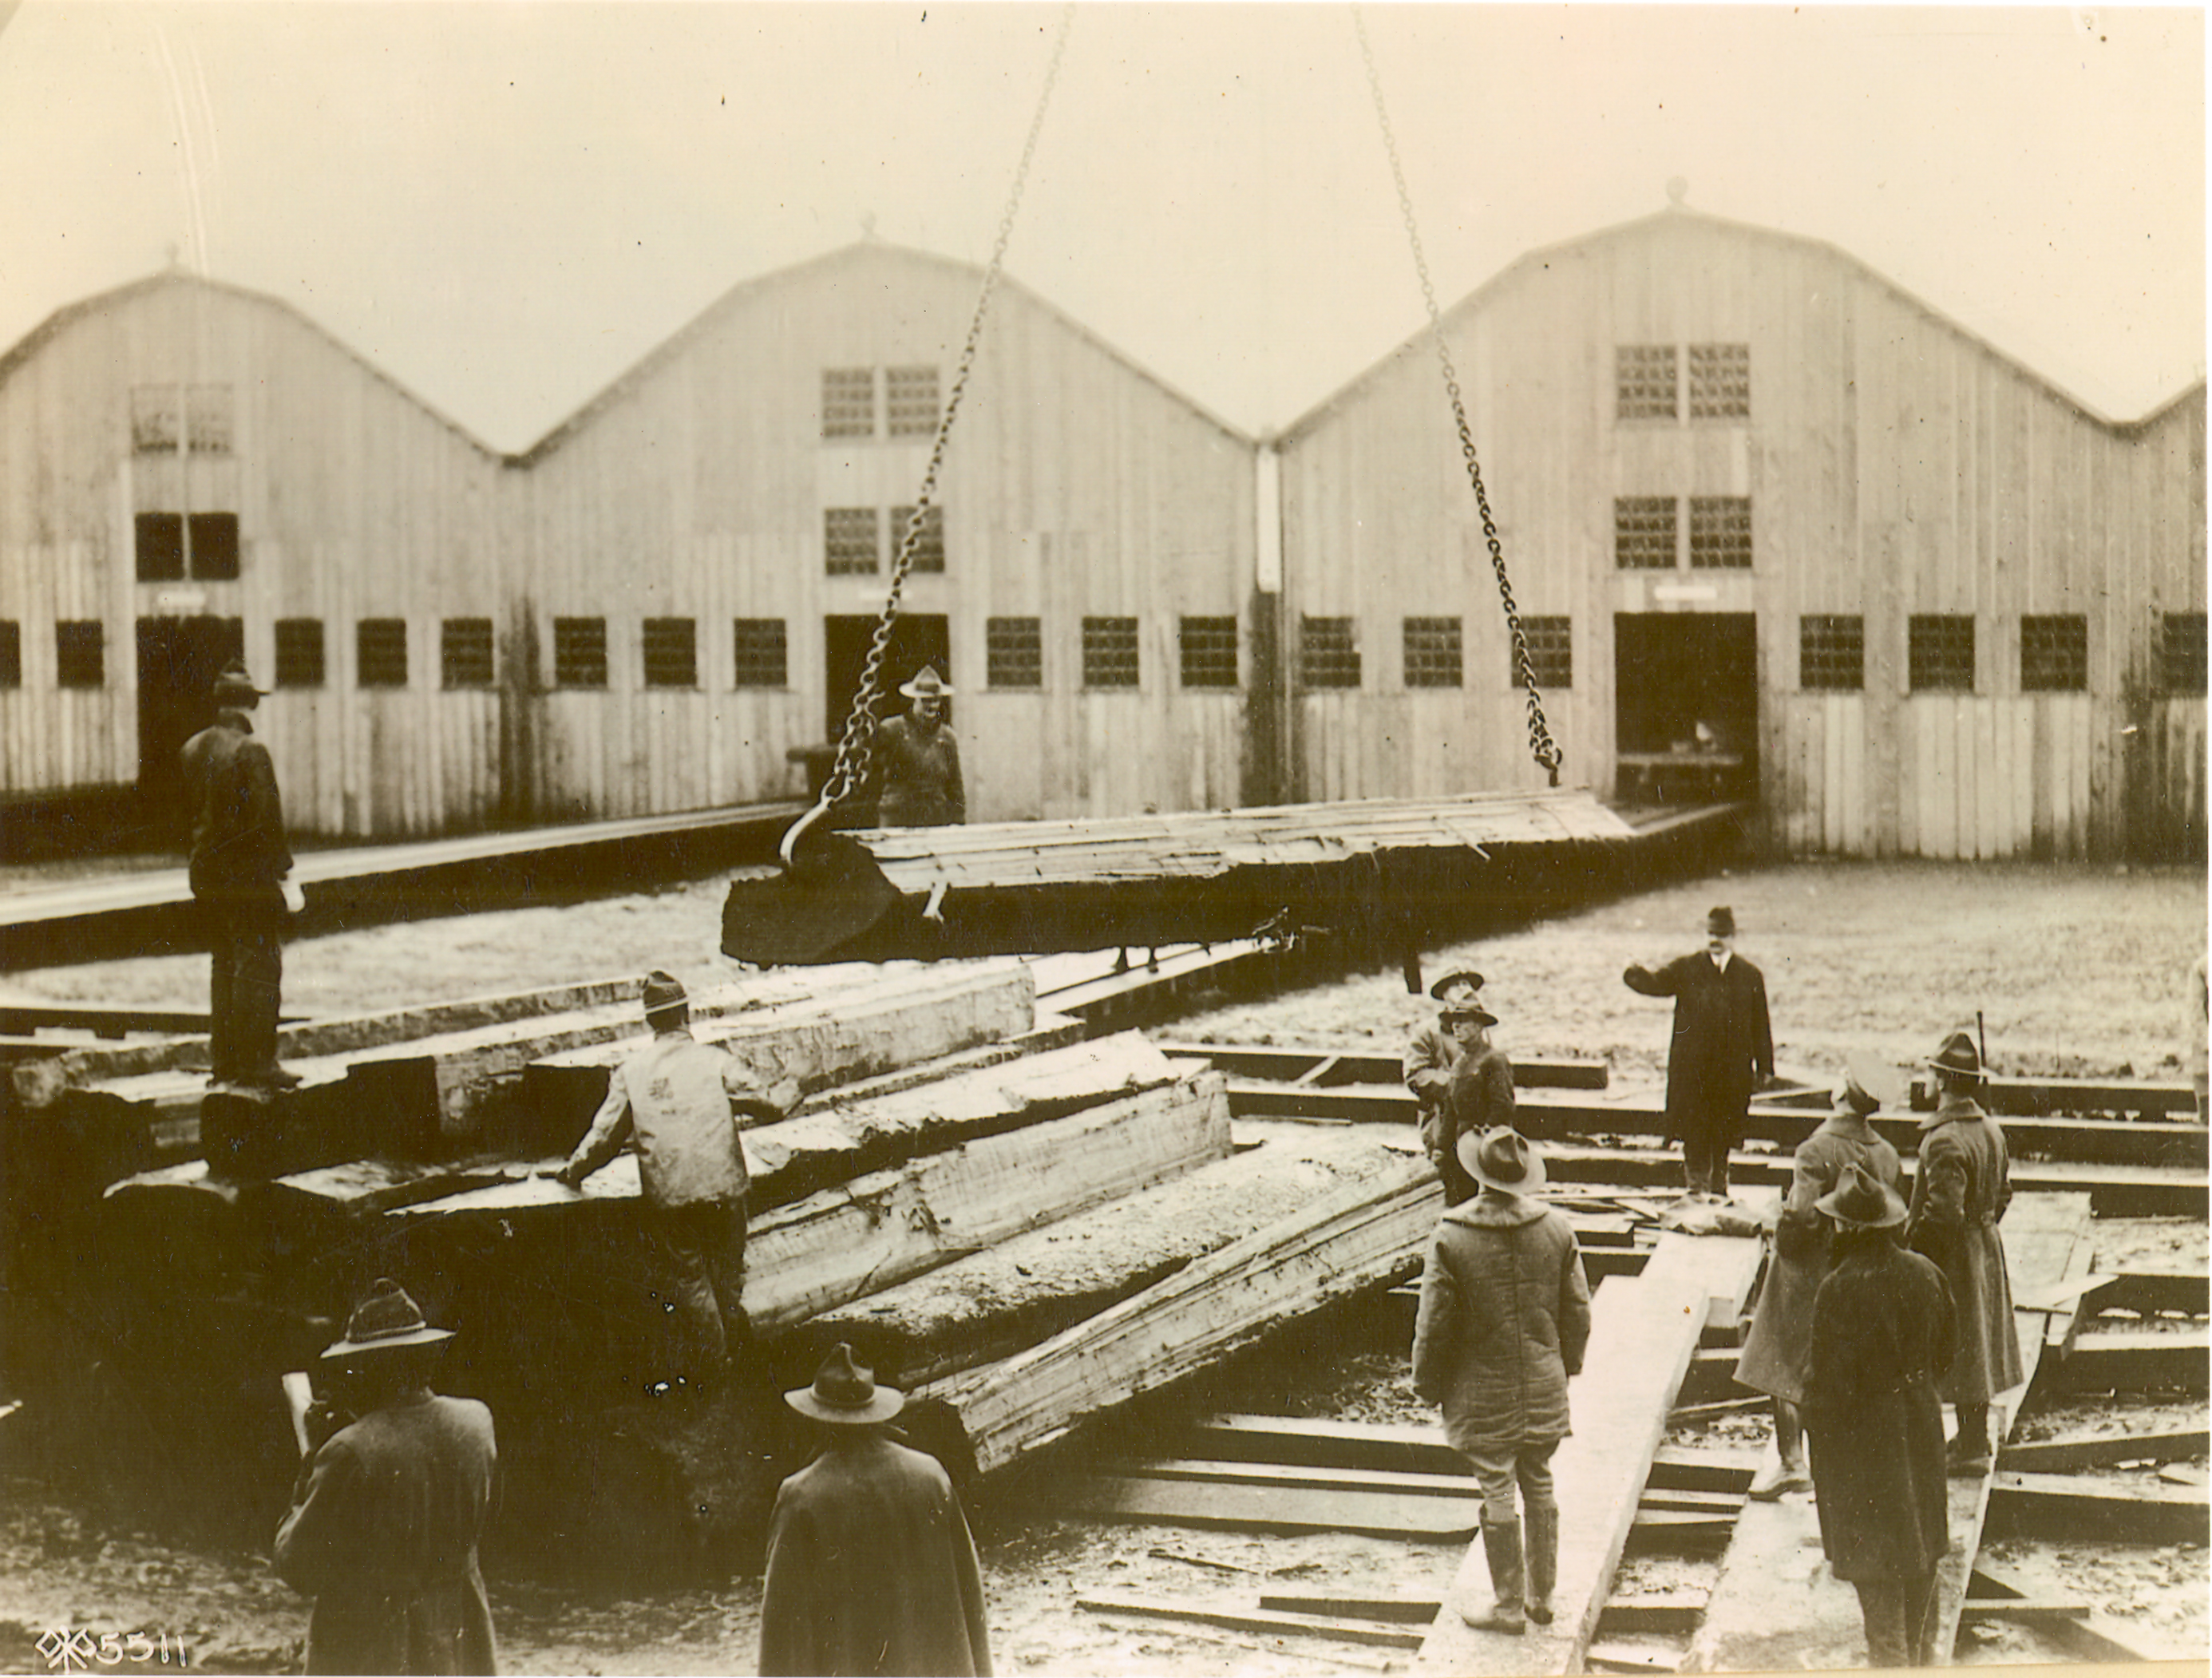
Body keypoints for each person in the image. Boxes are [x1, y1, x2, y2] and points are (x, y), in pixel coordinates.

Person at [545, 970, 797, 1395]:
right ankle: (740, 1368)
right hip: (725, 1189)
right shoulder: (716, 1061)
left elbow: (605, 1137)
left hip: (672, 1196)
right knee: (728, 1276)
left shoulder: (631, 1071)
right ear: (686, 1013)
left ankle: (717, 1375)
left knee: (690, 1282)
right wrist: (796, 1083)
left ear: (650, 1022)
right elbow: (771, 1105)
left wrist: (572, 1172)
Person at [1411, 1129, 1592, 1635]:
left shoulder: (1451, 1236)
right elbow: (1578, 1311)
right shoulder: (1556, 1228)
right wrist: (1565, 1367)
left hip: (1481, 1390)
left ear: (1476, 1174)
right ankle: (1542, 1598)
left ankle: (1508, 1604)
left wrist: (1426, 1384)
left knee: (1496, 1485)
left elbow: (1434, 1323)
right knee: (1539, 1478)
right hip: (1542, 1383)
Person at [274, 1278, 499, 1676]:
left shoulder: (350, 1451)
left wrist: (311, 1457)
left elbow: (298, 1565)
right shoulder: (477, 1421)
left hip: (374, 1647)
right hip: (457, 1634)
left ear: (367, 1367)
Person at [759, 1344, 992, 1676]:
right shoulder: (931, 1477)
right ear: (875, 1411)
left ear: (817, 1417)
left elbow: (782, 1631)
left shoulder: (802, 1496)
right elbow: (970, 1602)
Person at [1802, 1165, 1957, 1669]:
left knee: (1877, 1574)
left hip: (1864, 1441)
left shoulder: (1838, 1288)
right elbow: (1947, 1352)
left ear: (1847, 1228)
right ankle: (1923, 1658)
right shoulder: (1926, 1271)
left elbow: (1825, 1385)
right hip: (1920, 1425)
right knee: (1921, 1552)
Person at [1734, 1062, 1905, 1500]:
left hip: (1809, 1269)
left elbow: (1804, 1215)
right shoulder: (1885, 1152)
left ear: (1842, 1095)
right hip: (1862, 1268)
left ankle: (1792, 1463)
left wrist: (1779, 1230)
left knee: (1777, 1355)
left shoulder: (1815, 1148)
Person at [1905, 1027, 2022, 1476]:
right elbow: (2004, 1194)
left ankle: (1970, 1447)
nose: (1927, 1082)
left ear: (1945, 1081)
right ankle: (1973, 1439)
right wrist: (1984, 1229)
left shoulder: (1944, 1140)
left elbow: (1942, 1214)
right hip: (1984, 1247)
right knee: (1978, 1344)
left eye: (1932, 1074)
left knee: (1961, 1346)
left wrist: (1913, 1255)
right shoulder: (1990, 1129)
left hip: (1956, 1256)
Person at [180, 659, 299, 1092]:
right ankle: (258, 1065)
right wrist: (284, 873)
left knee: (224, 964)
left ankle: (225, 1063)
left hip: (206, 874)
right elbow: (268, 821)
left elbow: (189, 814)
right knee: (260, 966)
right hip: (248, 877)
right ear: (250, 704)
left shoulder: (192, 749)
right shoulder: (252, 752)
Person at [1622, 904, 1775, 1199]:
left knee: (1725, 1131)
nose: (1715, 939)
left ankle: (1719, 1187)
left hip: (1731, 1073)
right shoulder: (1686, 968)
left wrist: (1765, 1066)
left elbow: (1761, 1024)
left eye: (1722, 934)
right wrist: (1633, 973)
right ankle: (1695, 1190)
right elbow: (1655, 983)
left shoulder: (1750, 976)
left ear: (1733, 936)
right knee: (1693, 1131)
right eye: (1711, 933)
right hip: (1693, 1071)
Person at [1403, 972, 1515, 1205]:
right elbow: (1415, 1075)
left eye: (1466, 984)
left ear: (1477, 1023)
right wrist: (1458, 1085)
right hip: (1441, 1119)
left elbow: (1500, 1097)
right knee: (1453, 1185)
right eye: (1455, 985)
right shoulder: (1428, 1031)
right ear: (1444, 994)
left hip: (1479, 1127)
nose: (1462, 988)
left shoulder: (1481, 1040)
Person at [875, 665, 965, 826]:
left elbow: (955, 784)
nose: (931, 706)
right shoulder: (892, 729)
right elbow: (871, 769)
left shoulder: (947, 737)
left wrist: (958, 821)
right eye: (925, 700)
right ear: (914, 700)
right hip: (898, 817)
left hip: (934, 817)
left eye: (935, 700)